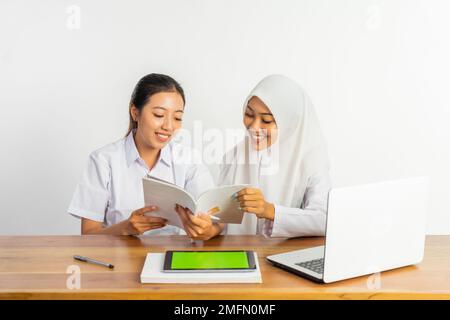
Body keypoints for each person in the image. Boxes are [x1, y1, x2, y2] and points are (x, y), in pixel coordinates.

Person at [68, 73, 222, 238]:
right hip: (119, 260)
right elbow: (89, 235)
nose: (169, 126)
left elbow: (217, 220)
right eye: (158, 115)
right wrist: (125, 228)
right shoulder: (103, 161)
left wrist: (207, 231)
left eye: (177, 117)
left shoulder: (189, 159)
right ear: (135, 113)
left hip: (172, 257)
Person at [218, 74, 331, 237]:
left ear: (289, 122)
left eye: (266, 120)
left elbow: (324, 220)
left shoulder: (311, 157)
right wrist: (209, 226)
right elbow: (220, 216)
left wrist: (268, 210)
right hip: (239, 254)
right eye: (249, 115)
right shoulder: (236, 154)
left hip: (285, 254)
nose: (254, 127)